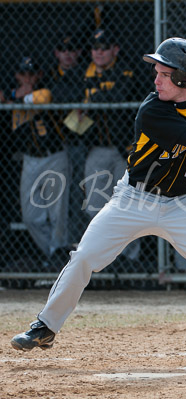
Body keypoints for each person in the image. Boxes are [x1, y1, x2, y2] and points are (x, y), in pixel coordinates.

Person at [10, 37, 186, 366]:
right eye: (158, 72)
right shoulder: (153, 108)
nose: (156, 79)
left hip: (183, 205)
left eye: (165, 74)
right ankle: (46, 326)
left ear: (184, 79)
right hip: (133, 199)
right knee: (83, 257)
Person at [0, 57, 71, 269]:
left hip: (54, 156)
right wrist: (13, 95)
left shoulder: (47, 89)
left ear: (39, 75)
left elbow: (43, 98)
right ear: (17, 76)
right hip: (30, 159)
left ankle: (58, 261)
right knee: (31, 216)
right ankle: (53, 255)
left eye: (32, 74)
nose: (28, 78)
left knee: (57, 214)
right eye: (24, 74)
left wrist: (15, 99)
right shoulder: (12, 92)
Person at [79, 28, 141, 261]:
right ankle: (104, 257)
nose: (100, 52)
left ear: (114, 49)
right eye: (95, 48)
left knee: (127, 205)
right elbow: (72, 92)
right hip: (97, 148)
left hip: (125, 149)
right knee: (93, 205)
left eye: (105, 48)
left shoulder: (125, 71)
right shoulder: (84, 73)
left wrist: (92, 99)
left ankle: (130, 259)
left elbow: (118, 96)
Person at [49, 32, 88, 244]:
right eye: (63, 51)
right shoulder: (49, 74)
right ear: (56, 53)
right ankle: (58, 248)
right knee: (59, 197)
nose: (67, 55)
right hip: (55, 144)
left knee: (79, 193)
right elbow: (53, 94)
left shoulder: (85, 73)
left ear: (79, 52)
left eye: (71, 50)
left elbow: (84, 96)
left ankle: (79, 241)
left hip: (80, 142)